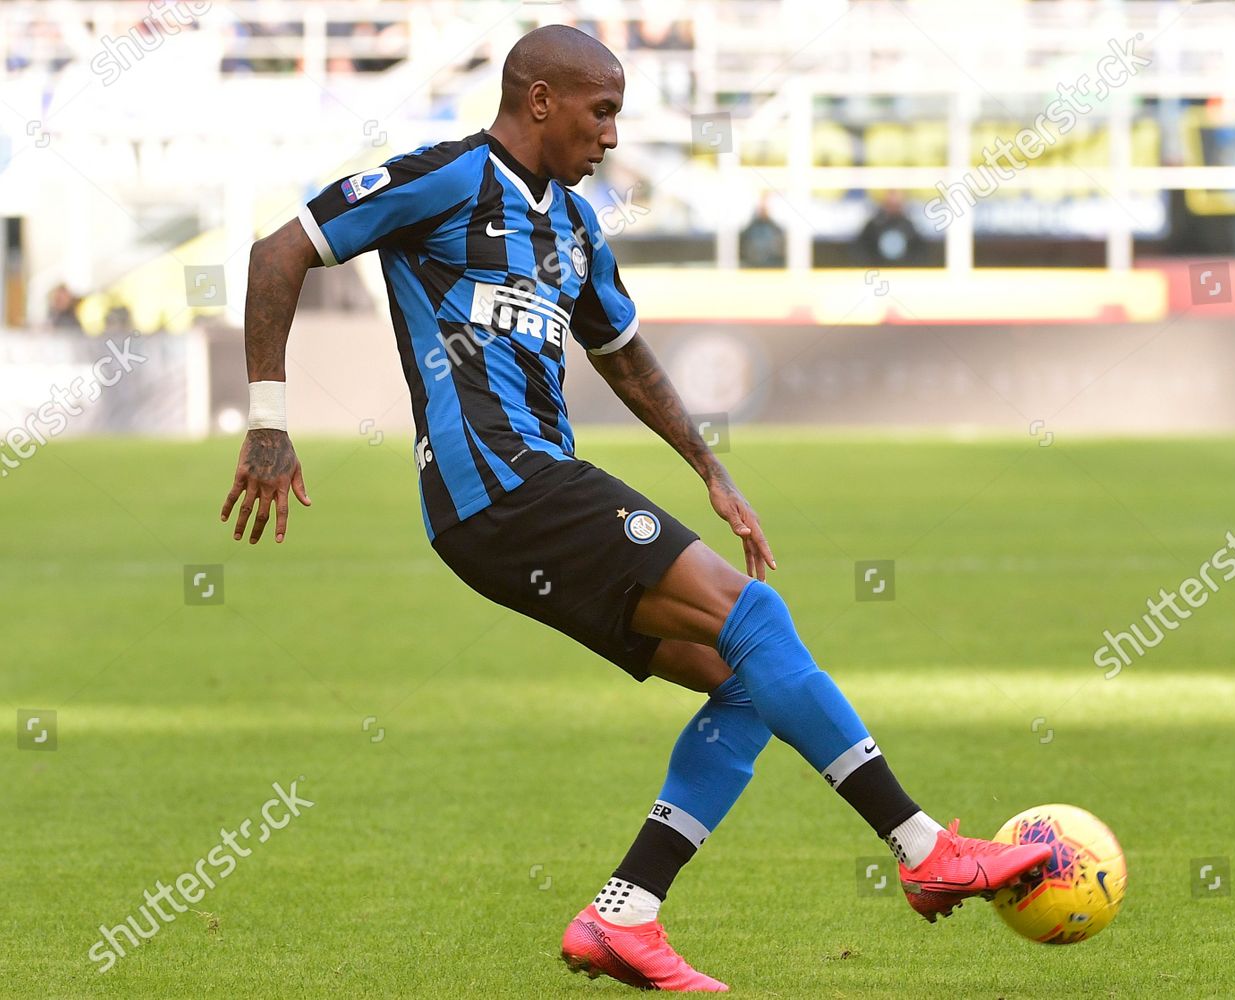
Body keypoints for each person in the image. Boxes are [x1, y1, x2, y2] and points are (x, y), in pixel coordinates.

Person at [218, 25, 1049, 993]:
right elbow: (280, 250)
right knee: (759, 617)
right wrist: (268, 420)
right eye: (600, 110)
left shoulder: (572, 228)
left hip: (516, 507)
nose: (612, 135)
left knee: (746, 676)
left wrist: (709, 464)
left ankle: (628, 913)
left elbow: (623, 351)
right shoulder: (443, 180)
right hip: (506, 485)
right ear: (539, 100)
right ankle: (922, 846)